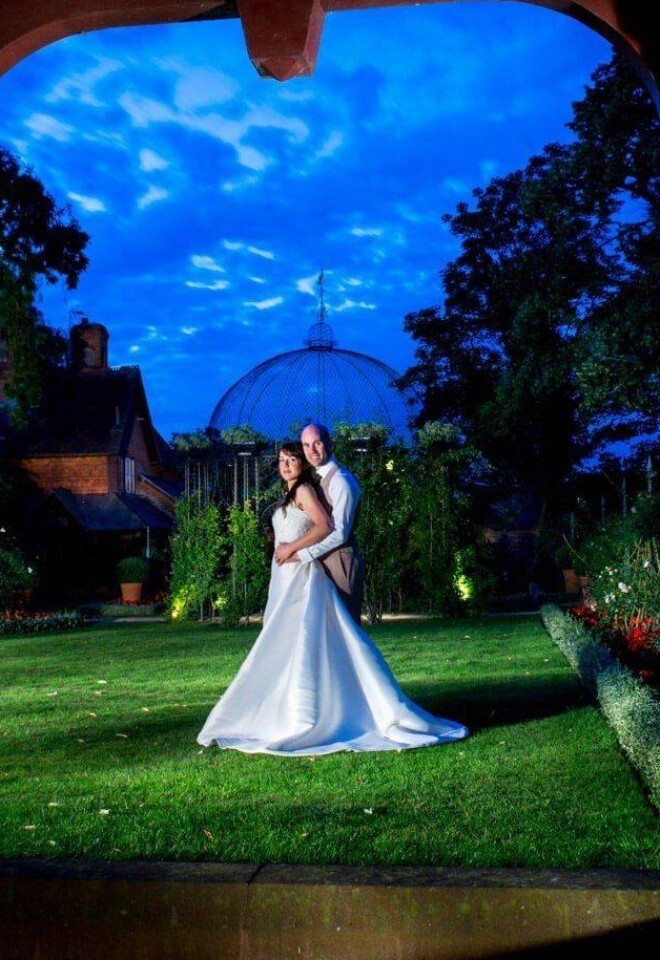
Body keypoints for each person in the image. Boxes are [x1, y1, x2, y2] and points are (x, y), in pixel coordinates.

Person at [196, 441, 468, 756]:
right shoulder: (291, 492)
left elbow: (326, 526)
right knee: (285, 640)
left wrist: (292, 548)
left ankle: (311, 714)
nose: (285, 465)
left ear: (303, 465)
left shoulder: (305, 491)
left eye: (292, 460)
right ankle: (290, 708)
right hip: (284, 575)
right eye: (282, 460)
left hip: (301, 575)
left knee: (305, 638)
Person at [276, 422, 364, 625]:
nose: (311, 450)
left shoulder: (341, 481)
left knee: (347, 631)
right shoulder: (319, 479)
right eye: (306, 445)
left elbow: (340, 533)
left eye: (317, 443)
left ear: (329, 444)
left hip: (341, 562)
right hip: (322, 562)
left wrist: (300, 555)